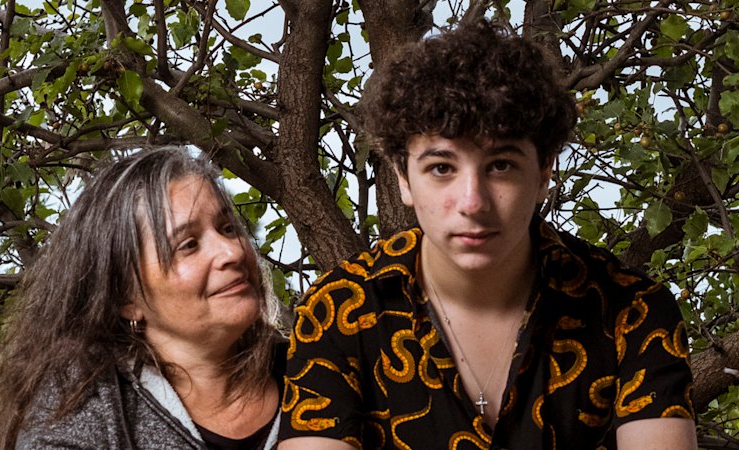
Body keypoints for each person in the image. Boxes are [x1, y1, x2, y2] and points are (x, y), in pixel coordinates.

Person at [278, 20, 697, 450]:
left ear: (544, 173)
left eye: (500, 165)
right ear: (403, 178)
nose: (473, 202)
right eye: (442, 168)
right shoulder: (337, 310)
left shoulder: (633, 309)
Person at [0, 147, 286, 449]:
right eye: (189, 245)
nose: (232, 252)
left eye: (228, 228)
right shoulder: (80, 407)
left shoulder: (307, 368)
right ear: (126, 298)